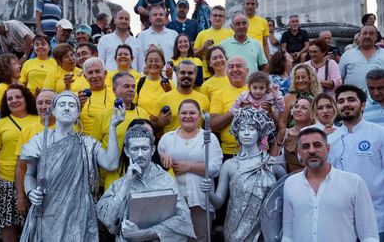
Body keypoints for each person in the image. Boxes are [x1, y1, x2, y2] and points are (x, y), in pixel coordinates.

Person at [19, 91, 124, 242]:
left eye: (72, 105)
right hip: (48, 209)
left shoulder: (87, 143)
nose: (67, 108)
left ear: (78, 112)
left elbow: (111, 163)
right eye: (62, 105)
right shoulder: (39, 140)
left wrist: (113, 127)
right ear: (54, 111)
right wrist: (30, 192)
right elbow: (29, 175)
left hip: (79, 212)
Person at [96, 124, 196, 241]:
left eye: (144, 148)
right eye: (134, 149)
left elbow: (184, 222)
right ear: (127, 151)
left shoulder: (166, 181)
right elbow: (108, 221)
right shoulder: (119, 184)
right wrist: (126, 185)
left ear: (152, 150)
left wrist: (143, 234)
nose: (140, 154)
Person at [201, 107, 285, 241]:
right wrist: (208, 192)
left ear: (259, 132)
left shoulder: (272, 164)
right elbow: (218, 202)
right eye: (242, 129)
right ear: (236, 133)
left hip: (266, 231)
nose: (246, 133)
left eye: (251, 129)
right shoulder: (230, 165)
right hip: (236, 229)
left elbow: (283, 199)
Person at [282, 127, 379, 242]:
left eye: (317, 145)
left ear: (327, 148)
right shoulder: (291, 183)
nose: (312, 150)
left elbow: (369, 234)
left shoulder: (353, 182)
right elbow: (288, 234)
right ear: (299, 153)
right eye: (305, 146)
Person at [158, 99, 223, 241]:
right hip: (173, 200)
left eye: (192, 113)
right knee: (175, 237)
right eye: (184, 113)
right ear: (178, 115)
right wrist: (162, 157)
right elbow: (156, 164)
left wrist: (190, 167)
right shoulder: (167, 138)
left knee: (199, 237)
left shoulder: (209, 138)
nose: (188, 116)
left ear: (199, 116)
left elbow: (215, 168)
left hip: (199, 198)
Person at [328, 85, 384, 240]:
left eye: (351, 100)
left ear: (363, 104)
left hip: (377, 218)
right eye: (341, 101)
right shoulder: (330, 140)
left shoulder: (379, 133)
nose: (346, 104)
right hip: (341, 221)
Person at [0, 84, 38, 242]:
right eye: (10, 98)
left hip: (34, 180)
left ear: (26, 98)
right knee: (8, 225)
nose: (14, 100)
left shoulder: (40, 120)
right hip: (7, 180)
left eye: (18, 97)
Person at [92, 72, 150, 191]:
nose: (131, 90)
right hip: (112, 179)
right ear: (114, 90)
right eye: (126, 86)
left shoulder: (143, 113)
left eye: (133, 87)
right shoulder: (102, 115)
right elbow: (93, 149)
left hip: (140, 178)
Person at [14, 89, 56, 218]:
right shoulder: (27, 130)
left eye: (48, 102)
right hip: (35, 194)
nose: (44, 107)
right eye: (40, 103)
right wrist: (21, 197)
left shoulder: (71, 128)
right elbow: (21, 167)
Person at [210, 56, 250, 158]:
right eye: (231, 67)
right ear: (227, 71)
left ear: (247, 71)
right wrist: (235, 110)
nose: (235, 69)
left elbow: (273, 120)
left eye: (239, 66)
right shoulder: (218, 94)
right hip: (228, 153)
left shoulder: (257, 90)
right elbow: (212, 125)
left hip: (256, 150)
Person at [156, 60, 209, 134]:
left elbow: (206, 126)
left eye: (190, 73)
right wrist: (159, 124)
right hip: (172, 144)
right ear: (177, 74)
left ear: (196, 75)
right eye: (183, 72)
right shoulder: (163, 99)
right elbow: (156, 127)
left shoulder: (204, 100)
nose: (186, 75)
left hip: (197, 144)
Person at [339, 25, 384, 92]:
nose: (367, 36)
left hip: (380, 99)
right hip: (354, 99)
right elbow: (340, 78)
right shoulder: (347, 55)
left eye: (371, 34)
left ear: (376, 37)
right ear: (359, 36)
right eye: (364, 33)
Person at [194, 5, 234, 79]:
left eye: (220, 16)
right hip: (207, 76)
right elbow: (193, 56)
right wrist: (203, 48)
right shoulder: (202, 34)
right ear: (210, 17)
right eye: (215, 15)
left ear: (224, 18)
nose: (217, 18)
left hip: (227, 75)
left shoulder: (231, 33)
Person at [278, 63, 322, 131]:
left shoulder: (317, 99)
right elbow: (282, 123)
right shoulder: (288, 98)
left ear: (310, 78)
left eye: (303, 77)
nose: (300, 80)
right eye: (297, 78)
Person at [78, 57, 115, 135]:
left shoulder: (116, 93)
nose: (94, 76)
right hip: (86, 141)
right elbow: (71, 122)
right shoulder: (79, 96)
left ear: (105, 74)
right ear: (85, 77)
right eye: (90, 73)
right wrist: (78, 108)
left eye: (97, 71)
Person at [136, 48, 174, 117]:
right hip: (142, 124)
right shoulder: (138, 82)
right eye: (150, 61)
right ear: (146, 63)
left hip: (163, 125)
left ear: (163, 63)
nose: (153, 63)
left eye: (157, 61)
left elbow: (173, 106)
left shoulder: (169, 83)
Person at [0, 53, 21, 122]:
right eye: (15, 64)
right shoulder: (0, 88)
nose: (19, 66)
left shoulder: (21, 85)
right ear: (6, 69)